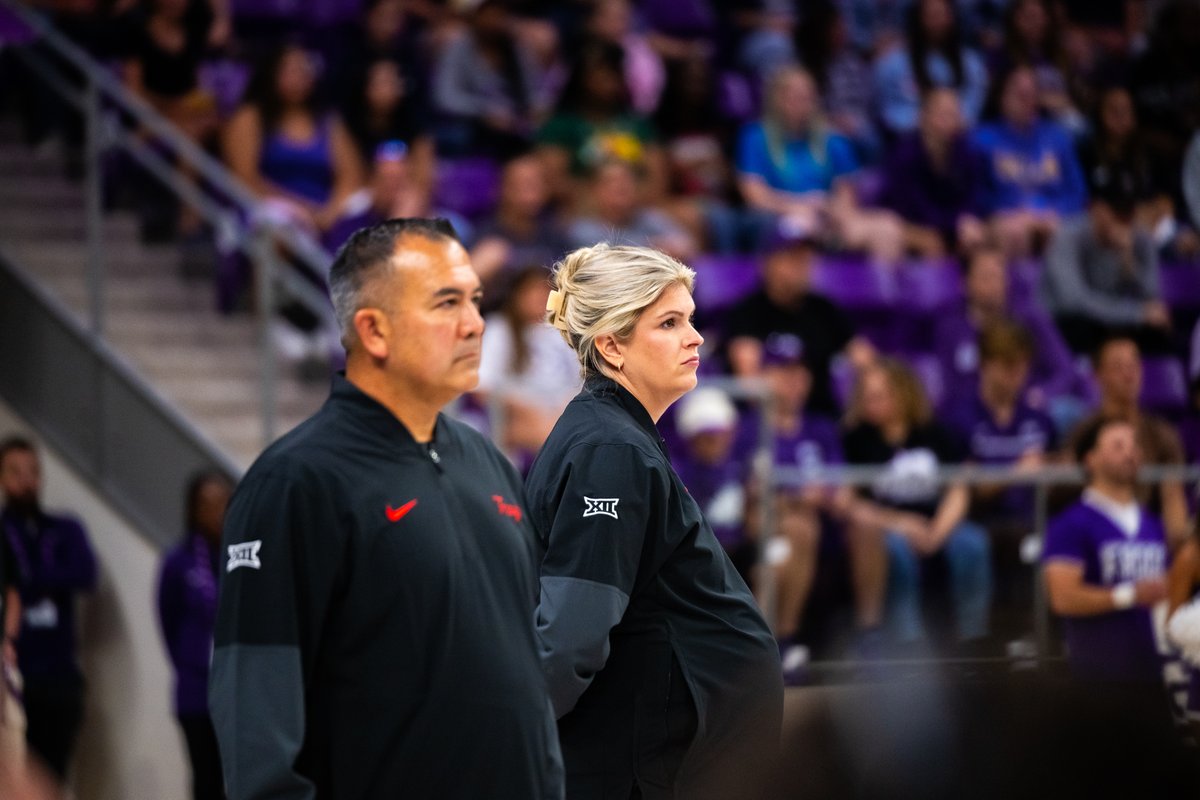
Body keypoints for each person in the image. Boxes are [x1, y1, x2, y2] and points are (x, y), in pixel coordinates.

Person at [209, 219, 563, 800]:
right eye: (447, 302)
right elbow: (257, 710)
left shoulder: (489, 465)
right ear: (374, 331)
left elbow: (524, 670)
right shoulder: (295, 483)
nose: (474, 323)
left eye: (475, 300)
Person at [528, 244, 782, 799]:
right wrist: (514, 734)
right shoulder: (609, 449)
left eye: (689, 320)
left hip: (666, 751)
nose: (695, 338)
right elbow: (573, 633)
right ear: (612, 347)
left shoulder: (616, 435)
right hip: (645, 763)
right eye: (669, 323)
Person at [841, 360, 992, 647]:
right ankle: (908, 642)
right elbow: (849, 502)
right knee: (897, 553)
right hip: (887, 524)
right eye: (865, 396)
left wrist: (938, 532)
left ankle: (974, 636)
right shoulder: (854, 439)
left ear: (903, 394)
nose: (869, 403)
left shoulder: (934, 433)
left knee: (973, 544)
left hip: (936, 521)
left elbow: (957, 489)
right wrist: (901, 524)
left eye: (878, 396)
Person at [1043, 417, 1168, 685]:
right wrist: (1130, 594)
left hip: (1153, 674)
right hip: (1098, 676)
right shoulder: (1071, 523)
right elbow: (1062, 597)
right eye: (1118, 446)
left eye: (1134, 446)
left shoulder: (1153, 524)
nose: (1130, 453)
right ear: (1091, 459)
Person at [0, 437, 97, 782]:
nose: (26, 481)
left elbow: (85, 573)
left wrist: (28, 579)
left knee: (52, 777)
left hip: (58, 674)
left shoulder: (64, 528)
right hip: (13, 673)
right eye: (15, 472)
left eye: (33, 472)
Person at [736, 66, 905, 264]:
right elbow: (754, 196)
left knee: (887, 227)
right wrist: (798, 205)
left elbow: (846, 193)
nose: (802, 104)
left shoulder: (833, 140)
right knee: (800, 227)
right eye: (795, 97)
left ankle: (884, 293)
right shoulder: (755, 137)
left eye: (808, 97)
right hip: (782, 216)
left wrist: (834, 211)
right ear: (777, 100)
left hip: (827, 216)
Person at [723, 218, 875, 418]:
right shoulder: (748, 312)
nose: (802, 265)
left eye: (806, 257)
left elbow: (868, 364)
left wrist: (856, 412)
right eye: (793, 256)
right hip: (768, 423)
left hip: (822, 421)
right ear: (768, 262)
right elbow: (750, 386)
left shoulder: (825, 309)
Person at [222, 43, 366, 238]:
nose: (299, 77)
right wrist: (300, 209)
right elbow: (246, 179)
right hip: (270, 208)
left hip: (323, 211)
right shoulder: (249, 118)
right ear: (272, 73)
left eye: (304, 69)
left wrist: (329, 214)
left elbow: (350, 176)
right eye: (291, 69)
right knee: (280, 228)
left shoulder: (327, 121)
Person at [933, 246, 1084, 430]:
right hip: (972, 413)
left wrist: (1042, 394)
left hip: (1026, 407)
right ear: (965, 283)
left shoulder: (1029, 319)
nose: (995, 285)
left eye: (999, 277)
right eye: (986, 277)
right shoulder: (950, 328)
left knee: (1065, 411)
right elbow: (950, 384)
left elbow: (1065, 369)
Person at [1064, 336, 1189, 548]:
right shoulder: (1083, 432)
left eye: (1133, 365)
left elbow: (1173, 499)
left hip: (1149, 538)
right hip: (1095, 538)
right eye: (1118, 366)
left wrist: (1177, 547)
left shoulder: (1161, 433)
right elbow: (1069, 492)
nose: (1129, 374)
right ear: (1097, 375)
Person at [157, 471, 231, 800]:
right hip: (196, 691)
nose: (216, 512)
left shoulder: (245, 556)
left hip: (238, 691)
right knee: (206, 778)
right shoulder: (178, 562)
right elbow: (168, 622)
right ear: (193, 509)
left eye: (223, 503)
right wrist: (192, 662)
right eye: (208, 504)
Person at [1041, 183, 1171, 355]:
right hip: (1071, 321)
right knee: (1079, 326)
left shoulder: (1141, 239)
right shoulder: (1067, 237)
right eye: (1118, 211)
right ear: (1097, 210)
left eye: (1129, 211)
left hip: (1113, 318)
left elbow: (1152, 298)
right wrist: (1135, 314)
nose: (1125, 219)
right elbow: (1073, 302)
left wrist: (1128, 261)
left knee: (1158, 329)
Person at [972, 66, 1088, 258]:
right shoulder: (982, 139)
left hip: (1052, 215)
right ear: (1002, 97)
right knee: (1015, 232)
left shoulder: (1058, 137)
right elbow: (978, 193)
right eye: (1020, 94)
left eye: (1031, 94)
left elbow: (1076, 192)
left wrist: (1051, 212)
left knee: (1060, 231)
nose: (1027, 100)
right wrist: (1013, 212)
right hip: (1006, 218)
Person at [473, 264, 581, 462]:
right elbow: (482, 387)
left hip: (562, 412)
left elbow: (582, 381)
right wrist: (524, 407)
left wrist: (566, 408)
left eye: (544, 290)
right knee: (553, 434)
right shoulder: (500, 329)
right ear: (516, 295)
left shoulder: (564, 331)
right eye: (531, 290)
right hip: (516, 416)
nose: (538, 297)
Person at [877, 87, 989, 257]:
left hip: (947, 225)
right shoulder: (904, 154)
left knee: (975, 236)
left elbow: (973, 197)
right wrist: (952, 225)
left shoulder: (966, 152)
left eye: (953, 114)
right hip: (905, 222)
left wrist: (966, 221)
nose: (948, 120)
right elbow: (910, 207)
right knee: (931, 243)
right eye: (942, 114)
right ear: (924, 115)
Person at [431, 0, 546, 158]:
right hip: (471, 123)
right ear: (476, 16)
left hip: (514, 124)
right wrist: (484, 112)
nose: (493, 21)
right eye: (488, 14)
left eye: (498, 15)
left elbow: (533, 91)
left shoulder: (515, 48)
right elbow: (445, 97)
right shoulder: (459, 47)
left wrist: (535, 109)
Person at [873, 0, 990, 137]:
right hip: (909, 137)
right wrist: (928, 122)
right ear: (918, 18)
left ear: (952, 18)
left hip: (959, 137)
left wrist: (948, 121)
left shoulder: (971, 64)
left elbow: (973, 107)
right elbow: (887, 109)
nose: (937, 22)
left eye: (942, 15)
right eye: (931, 15)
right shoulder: (891, 64)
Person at [565, 159, 697, 260]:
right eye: (611, 182)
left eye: (626, 181)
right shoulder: (583, 230)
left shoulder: (649, 217)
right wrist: (654, 248)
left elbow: (686, 245)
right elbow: (607, 263)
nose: (621, 187)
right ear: (595, 190)